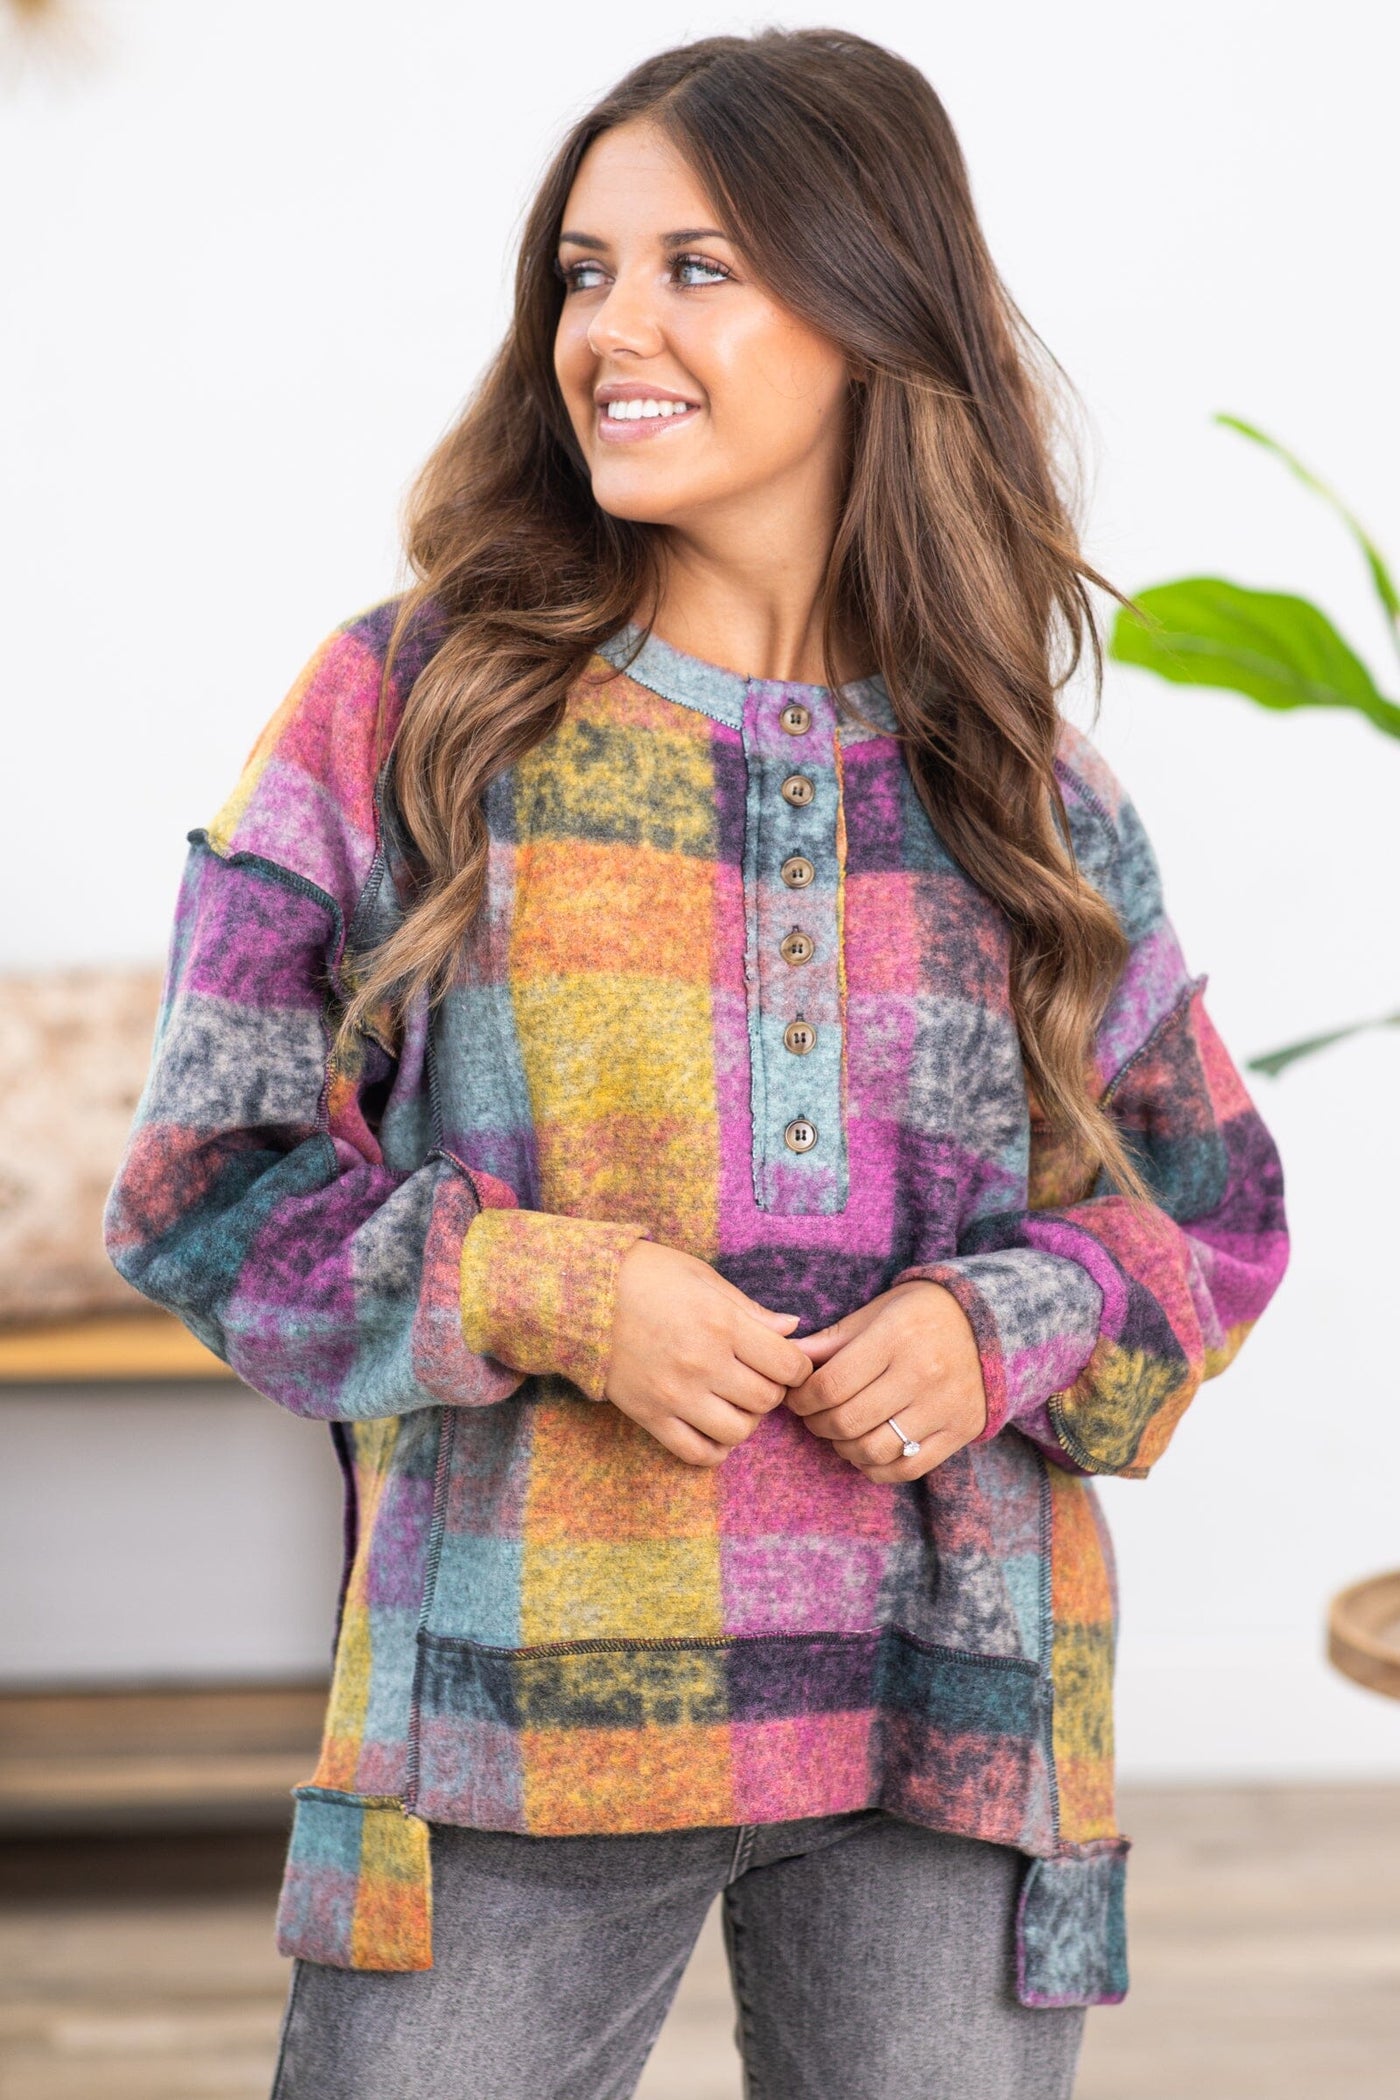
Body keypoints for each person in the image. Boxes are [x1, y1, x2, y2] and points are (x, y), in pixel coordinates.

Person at [104, 27, 1289, 2100]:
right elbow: (202, 1183)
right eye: (584, 272)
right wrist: (551, 1292)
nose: (611, 331)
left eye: (696, 268)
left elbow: (1212, 1210)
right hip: (517, 1710)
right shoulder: (412, 709)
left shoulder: (1021, 782)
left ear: (872, 311)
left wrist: (999, 1322)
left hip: (949, 1708)